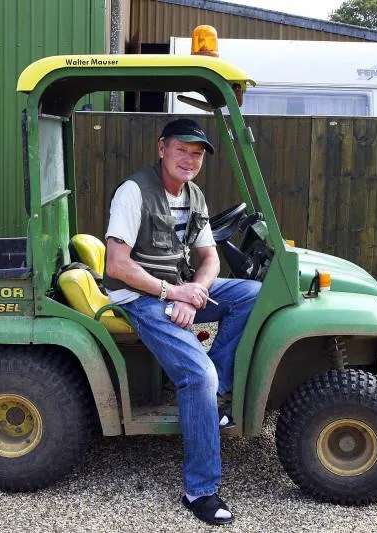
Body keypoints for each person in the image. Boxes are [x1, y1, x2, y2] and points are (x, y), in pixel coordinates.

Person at [102, 118, 261, 526]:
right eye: (181, 149)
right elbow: (117, 265)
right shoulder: (133, 192)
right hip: (137, 297)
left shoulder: (193, 195)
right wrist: (173, 293)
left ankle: (220, 395)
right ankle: (200, 491)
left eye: (197, 153)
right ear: (161, 148)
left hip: (176, 288)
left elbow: (209, 258)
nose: (189, 159)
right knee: (197, 376)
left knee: (254, 295)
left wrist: (197, 292)